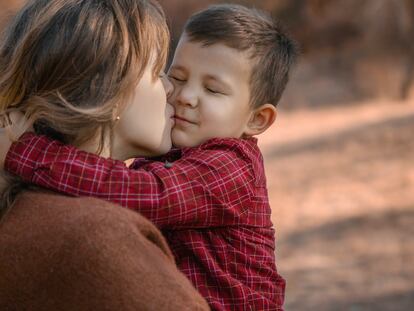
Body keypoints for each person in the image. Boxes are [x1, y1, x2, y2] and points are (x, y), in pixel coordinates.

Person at [1, 4, 298, 311]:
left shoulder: (231, 166)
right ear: (109, 90)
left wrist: (24, 150)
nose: (182, 95)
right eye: (173, 75)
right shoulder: (97, 225)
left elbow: (142, 193)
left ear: (257, 119)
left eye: (212, 89)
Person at [0, 0, 209, 310]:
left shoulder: (24, 210)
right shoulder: (98, 239)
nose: (170, 90)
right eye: (156, 73)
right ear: (109, 91)